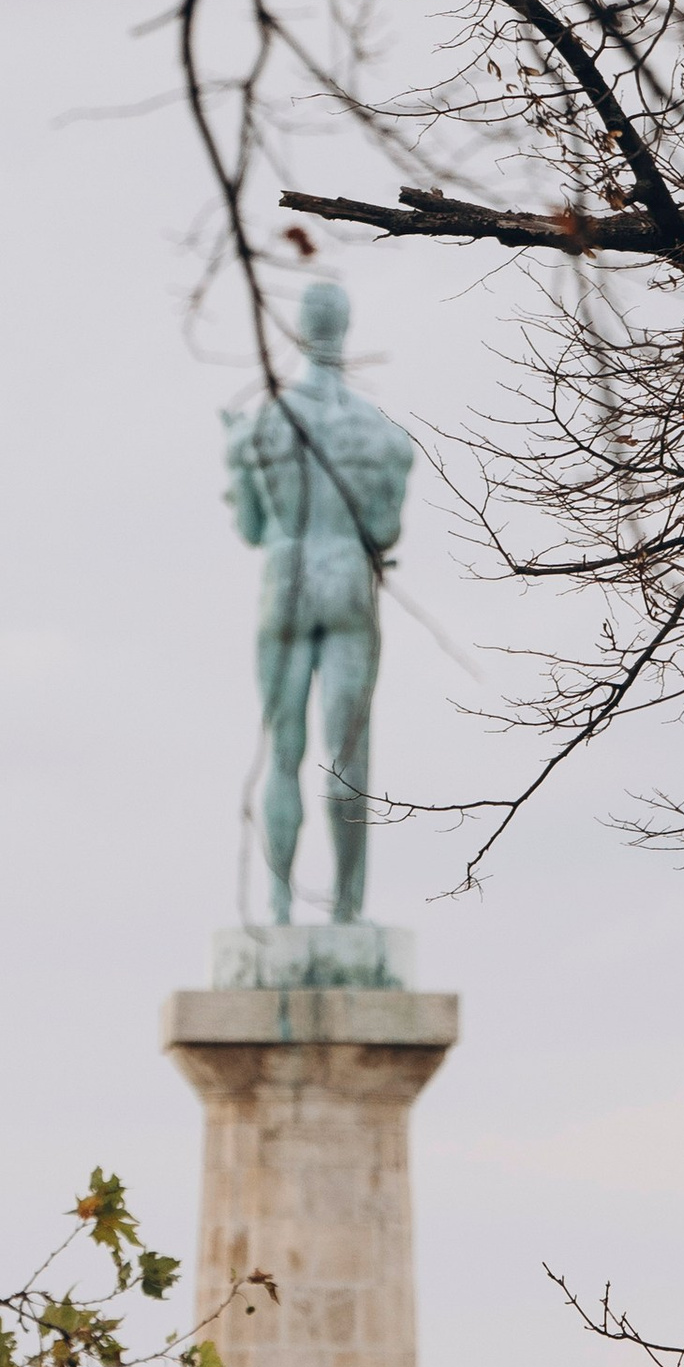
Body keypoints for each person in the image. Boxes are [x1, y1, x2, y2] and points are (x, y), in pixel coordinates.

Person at [224, 283, 415, 932]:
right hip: (346, 586)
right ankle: (346, 906)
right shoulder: (379, 432)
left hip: (286, 579)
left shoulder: (264, 423)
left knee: (283, 751)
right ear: (347, 328)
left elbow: (252, 527)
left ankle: (277, 905)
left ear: (299, 330)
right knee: (347, 754)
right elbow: (386, 530)